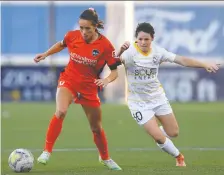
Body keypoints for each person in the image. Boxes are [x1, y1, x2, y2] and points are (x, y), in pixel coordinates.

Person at [116, 22, 220, 167]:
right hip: (138, 103)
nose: (143, 42)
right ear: (136, 39)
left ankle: (157, 134)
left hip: (158, 98)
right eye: (140, 39)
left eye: (146, 39)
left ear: (152, 38)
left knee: (173, 132)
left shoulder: (158, 52)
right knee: (159, 137)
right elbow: (113, 63)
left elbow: (182, 60)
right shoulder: (129, 53)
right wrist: (119, 51)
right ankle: (179, 157)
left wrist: (204, 64)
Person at [34, 8, 122, 170]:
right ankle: (47, 151)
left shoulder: (105, 46)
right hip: (69, 81)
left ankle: (105, 158)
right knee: (60, 111)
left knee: (96, 128)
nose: (83, 32)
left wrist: (106, 80)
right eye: (81, 28)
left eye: (87, 28)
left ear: (95, 27)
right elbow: (61, 45)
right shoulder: (72, 36)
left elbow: (115, 72)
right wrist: (45, 54)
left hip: (89, 88)